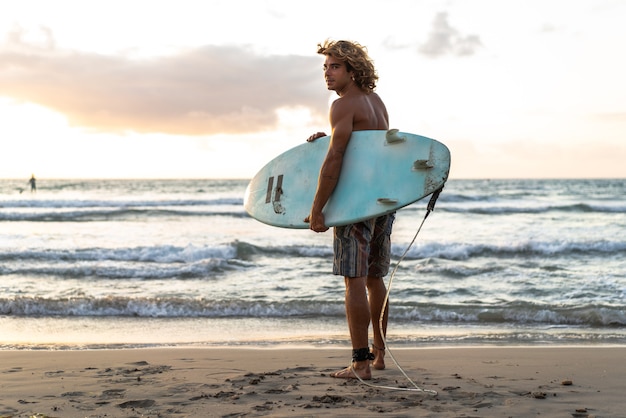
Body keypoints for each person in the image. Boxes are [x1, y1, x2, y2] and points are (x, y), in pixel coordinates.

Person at [304, 40, 394, 380]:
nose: (327, 73)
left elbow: (337, 158)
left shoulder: (341, 106)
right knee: (375, 278)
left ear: (351, 70)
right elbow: (367, 150)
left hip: (356, 205)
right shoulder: (377, 103)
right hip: (383, 201)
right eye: (325, 67)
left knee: (353, 280)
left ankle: (359, 363)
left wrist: (318, 209)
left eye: (334, 67)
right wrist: (325, 139)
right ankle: (379, 355)